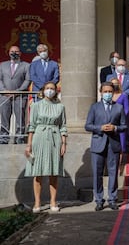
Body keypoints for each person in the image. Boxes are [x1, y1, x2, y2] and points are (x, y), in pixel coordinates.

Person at [24, 81, 67, 213]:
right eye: (47, 88)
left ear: (56, 91)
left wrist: (64, 143)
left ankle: (53, 201)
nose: (50, 90)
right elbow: (31, 126)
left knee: (53, 172)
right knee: (38, 172)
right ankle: (37, 202)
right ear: (43, 90)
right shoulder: (36, 106)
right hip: (39, 137)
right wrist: (29, 144)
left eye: (52, 88)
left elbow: (63, 126)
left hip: (55, 138)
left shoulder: (61, 107)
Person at [85, 82, 127, 211]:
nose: (108, 94)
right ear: (101, 92)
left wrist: (115, 128)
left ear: (113, 93)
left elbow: (124, 126)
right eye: (105, 92)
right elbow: (88, 125)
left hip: (113, 144)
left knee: (113, 173)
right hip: (98, 143)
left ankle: (113, 198)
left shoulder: (119, 107)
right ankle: (98, 199)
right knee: (97, 173)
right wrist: (100, 128)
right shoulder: (94, 107)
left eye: (110, 92)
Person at [0, 46, 31, 144]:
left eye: (16, 51)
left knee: (20, 118)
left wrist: (18, 91)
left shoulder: (26, 65)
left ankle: (20, 138)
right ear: (9, 53)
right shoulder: (2, 65)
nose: (14, 53)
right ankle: (4, 138)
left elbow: (28, 80)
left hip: (20, 96)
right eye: (12, 51)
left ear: (20, 53)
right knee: (4, 117)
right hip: (4, 96)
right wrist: (4, 90)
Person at [109, 77, 129, 154]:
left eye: (116, 83)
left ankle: (121, 163)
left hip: (120, 123)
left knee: (121, 144)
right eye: (113, 84)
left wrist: (121, 118)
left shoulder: (124, 95)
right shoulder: (108, 96)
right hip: (110, 122)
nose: (114, 85)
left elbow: (126, 109)